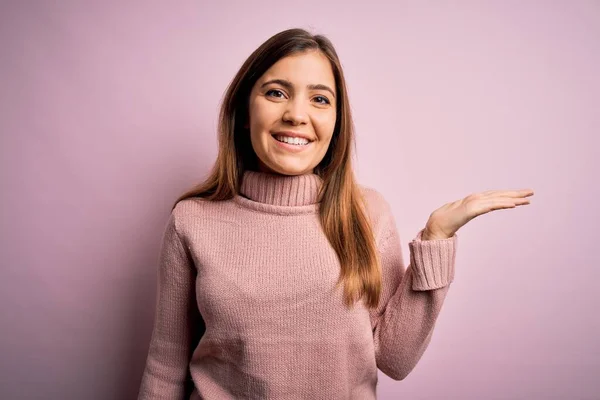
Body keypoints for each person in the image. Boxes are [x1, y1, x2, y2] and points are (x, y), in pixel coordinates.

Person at [137, 28, 533, 400]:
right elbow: (165, 366)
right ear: (244, 112)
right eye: (276, 93)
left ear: (336, 122)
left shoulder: (367, 213)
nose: (296, 114)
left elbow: (394, 358)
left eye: (320, 99)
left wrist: (436, 239)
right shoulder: (192, 221)